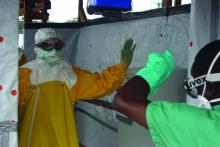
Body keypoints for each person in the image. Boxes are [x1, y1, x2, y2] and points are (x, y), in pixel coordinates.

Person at [18, 28, 136, 147]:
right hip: (33, 138)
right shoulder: (25, 74)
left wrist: (122, 66)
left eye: (57, 45)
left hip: (62, 137)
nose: (53, 49)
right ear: (37, 48)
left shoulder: (69, 73)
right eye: (47, 45)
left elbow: (100, 84)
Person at [112, 40, 220, 147]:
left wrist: (156, 70)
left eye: (196, 89)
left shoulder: (203, 125)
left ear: (210, 88)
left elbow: (122, 100)